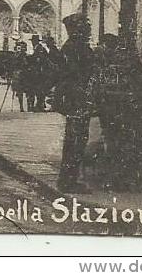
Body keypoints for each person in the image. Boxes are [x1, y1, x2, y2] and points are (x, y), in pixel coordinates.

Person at [87, 34, 142, 191]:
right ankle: (132, 178)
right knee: (130, 143)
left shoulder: (107, 63)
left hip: (116, 109)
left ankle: (117, 179)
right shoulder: (127, 63)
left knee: (116, 143)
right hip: (127, 110)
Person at [56, 15, 95, 192]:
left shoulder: (71, 47)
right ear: (77, 29)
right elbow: (75, 74)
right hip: (77, 98)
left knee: (76, 139)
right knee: (76, 140)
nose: (89, 29)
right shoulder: (76, 48)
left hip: (75, 97)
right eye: (86, 26)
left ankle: (68, 179)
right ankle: (68, 181)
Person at [10, 41, 29, 112]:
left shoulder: (27, 56)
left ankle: (29, 105)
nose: (23, 49)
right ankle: (21, 106)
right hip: (18, 75)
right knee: (19, 91)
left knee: (28, 91)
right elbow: (13, 64)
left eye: (24, 47)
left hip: (26, 75)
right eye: (22, 47)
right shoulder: (16, 55)